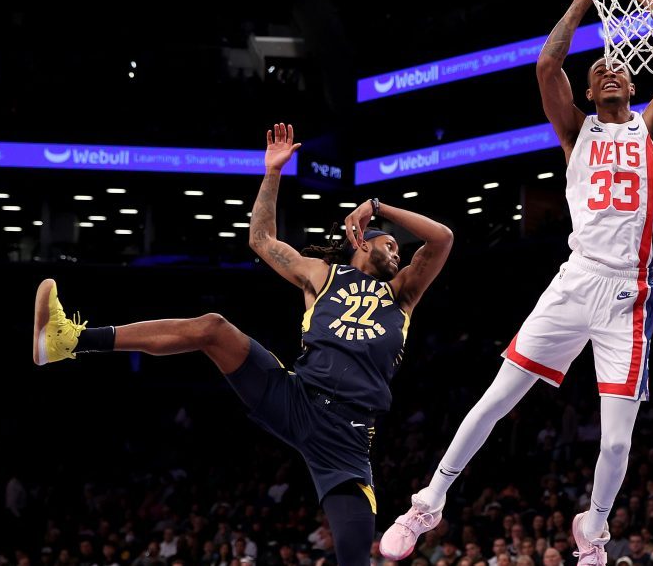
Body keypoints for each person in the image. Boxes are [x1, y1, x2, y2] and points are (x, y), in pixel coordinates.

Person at [381, 0, 653, 566]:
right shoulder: (576, 133)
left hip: (629, 296)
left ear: (634, 86)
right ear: (587, 92)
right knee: (497, 398)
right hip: (575, 280)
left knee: (616, 443)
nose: (609, 70)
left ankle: (593, 530)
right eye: (597, 70)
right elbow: (547, 66)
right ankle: (427, 502)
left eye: (619, 68)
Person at [31, 123, 453, 566]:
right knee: (212, 327)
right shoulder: (320, 275)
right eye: (391, 244)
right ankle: (70, 340)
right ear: (362, 242)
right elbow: (261, 240)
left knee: (353, 555)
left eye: (400, 250)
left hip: (346, 433)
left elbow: (441, 238)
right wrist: (272, 172)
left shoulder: (403, 294)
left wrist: (378, 205)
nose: (398, 253)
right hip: (295, 396)